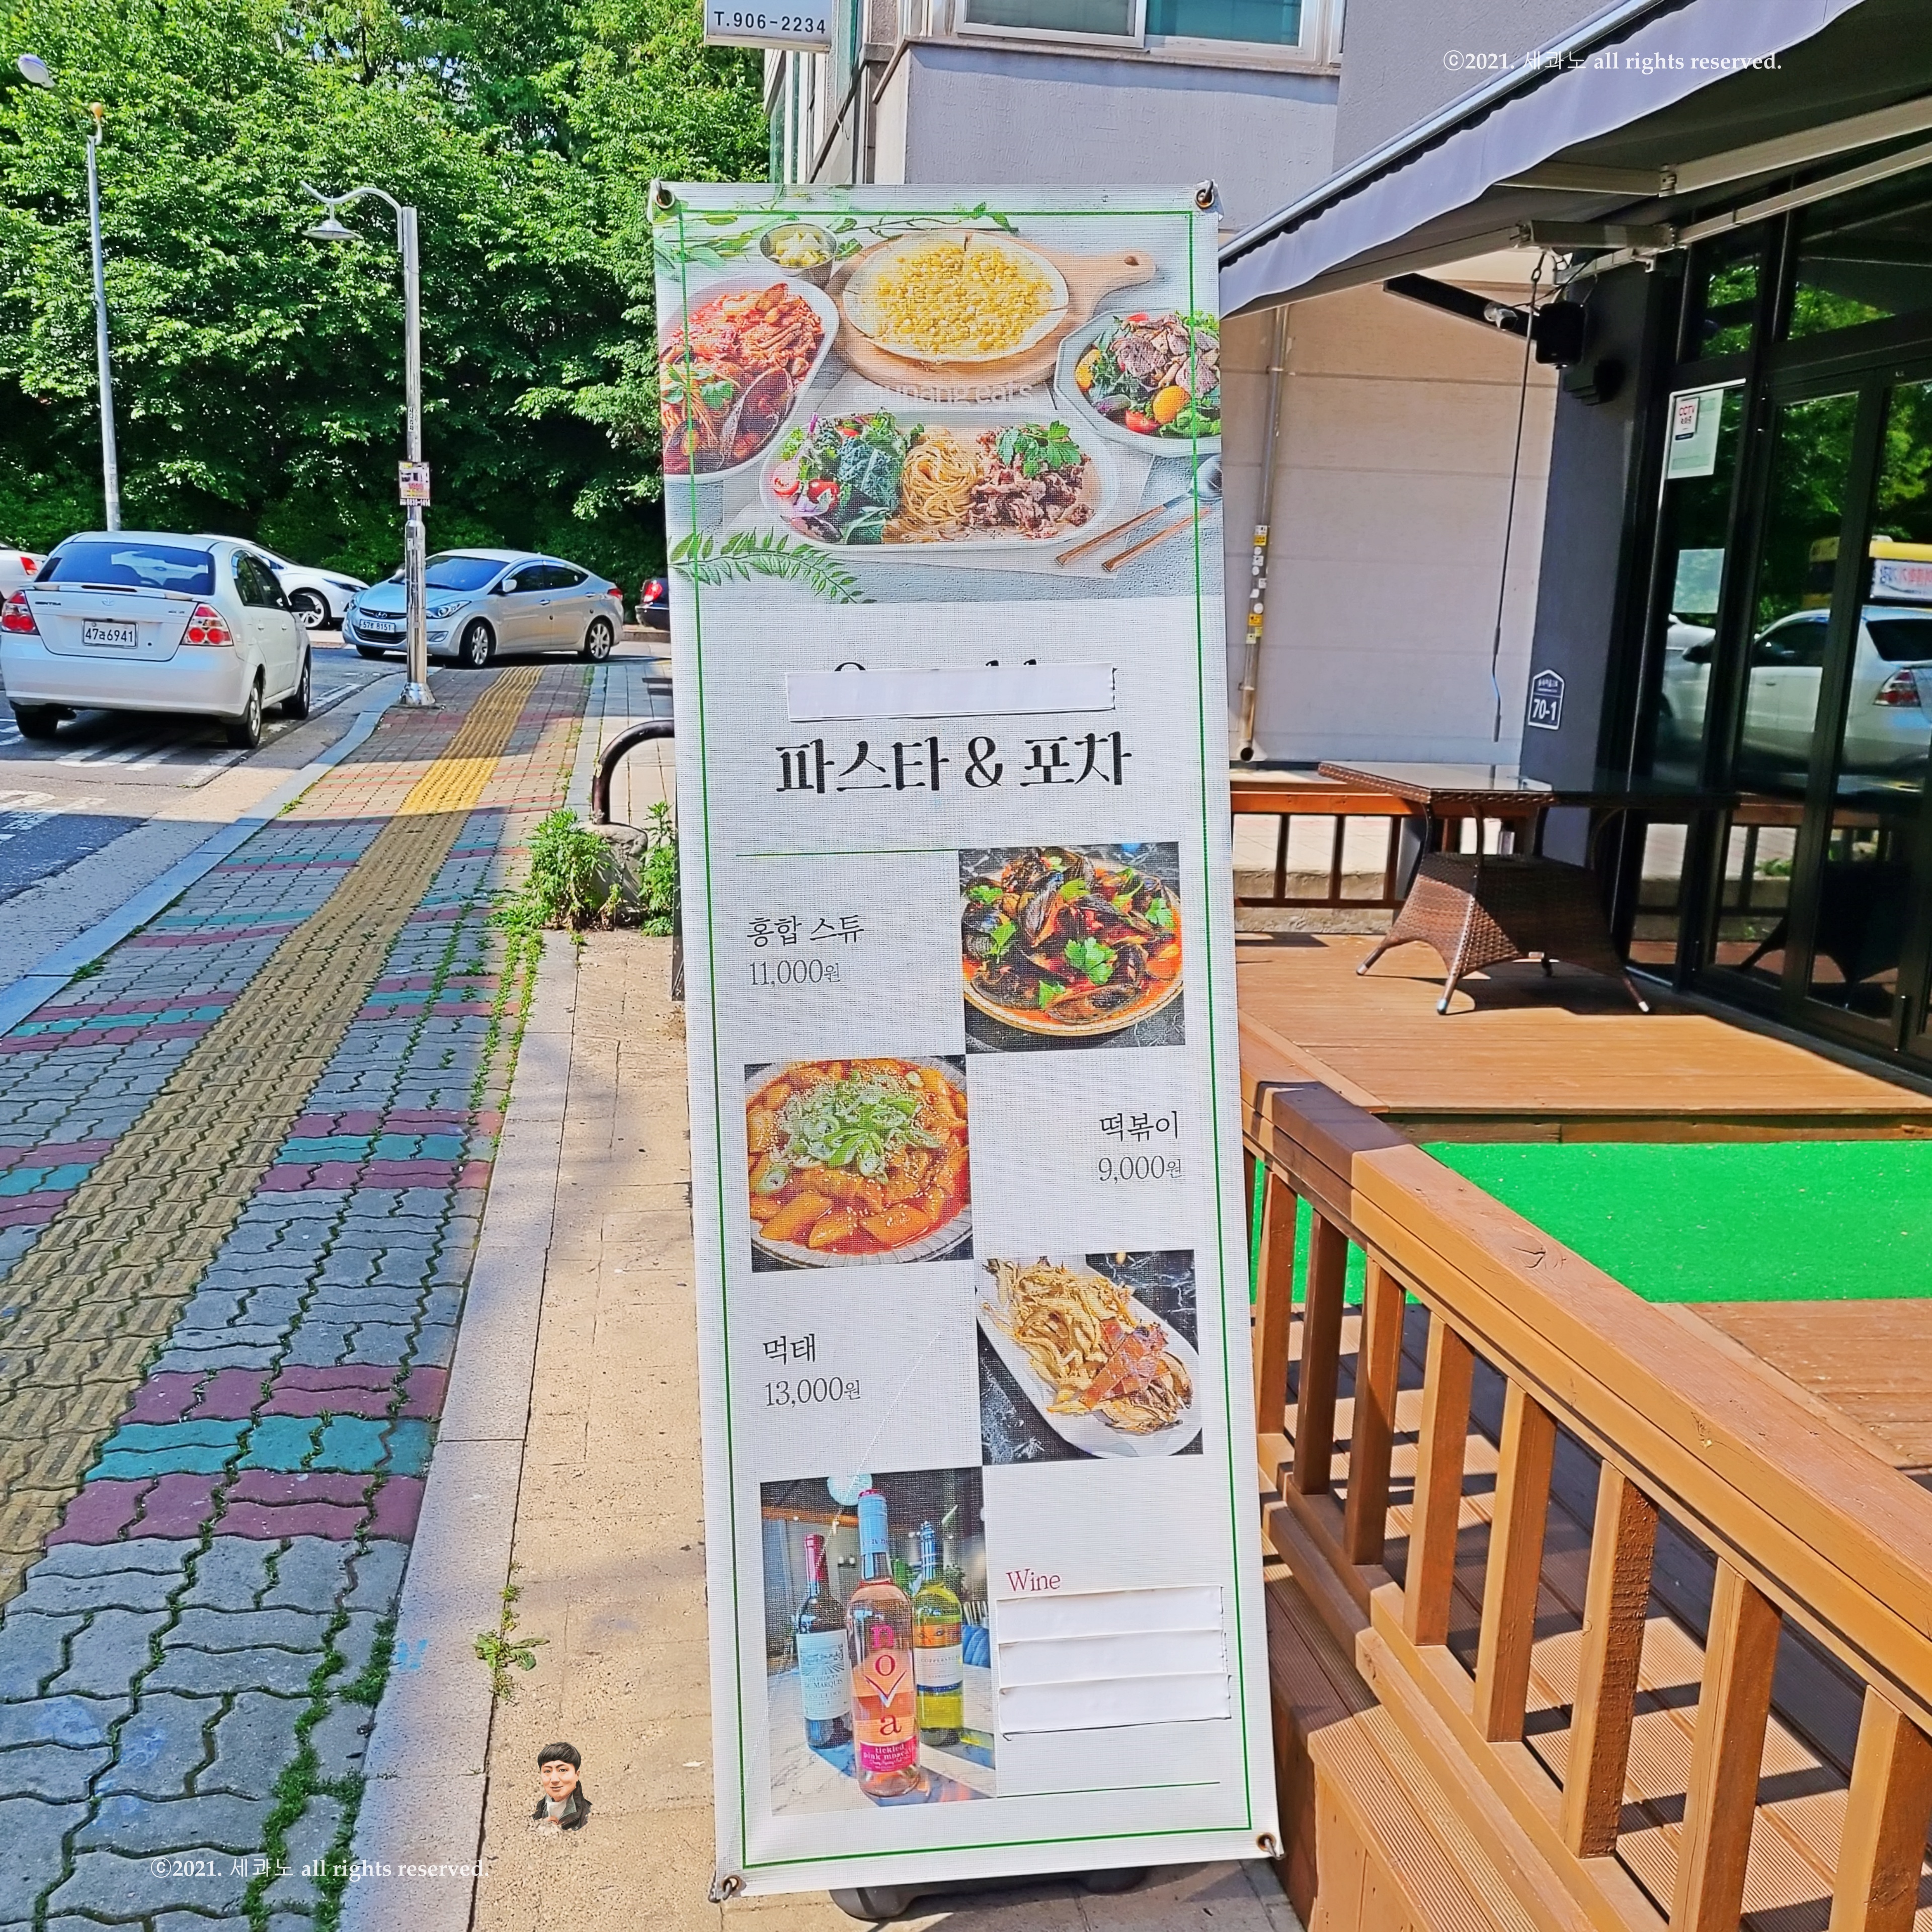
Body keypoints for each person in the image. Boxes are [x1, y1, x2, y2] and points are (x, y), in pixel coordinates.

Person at [531, 1742, 591, 1832]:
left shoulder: (587, 1816)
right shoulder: (537, 1813)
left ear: (576, 1775)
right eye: (547, 1771)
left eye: (562, 1770)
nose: (554, 1779)